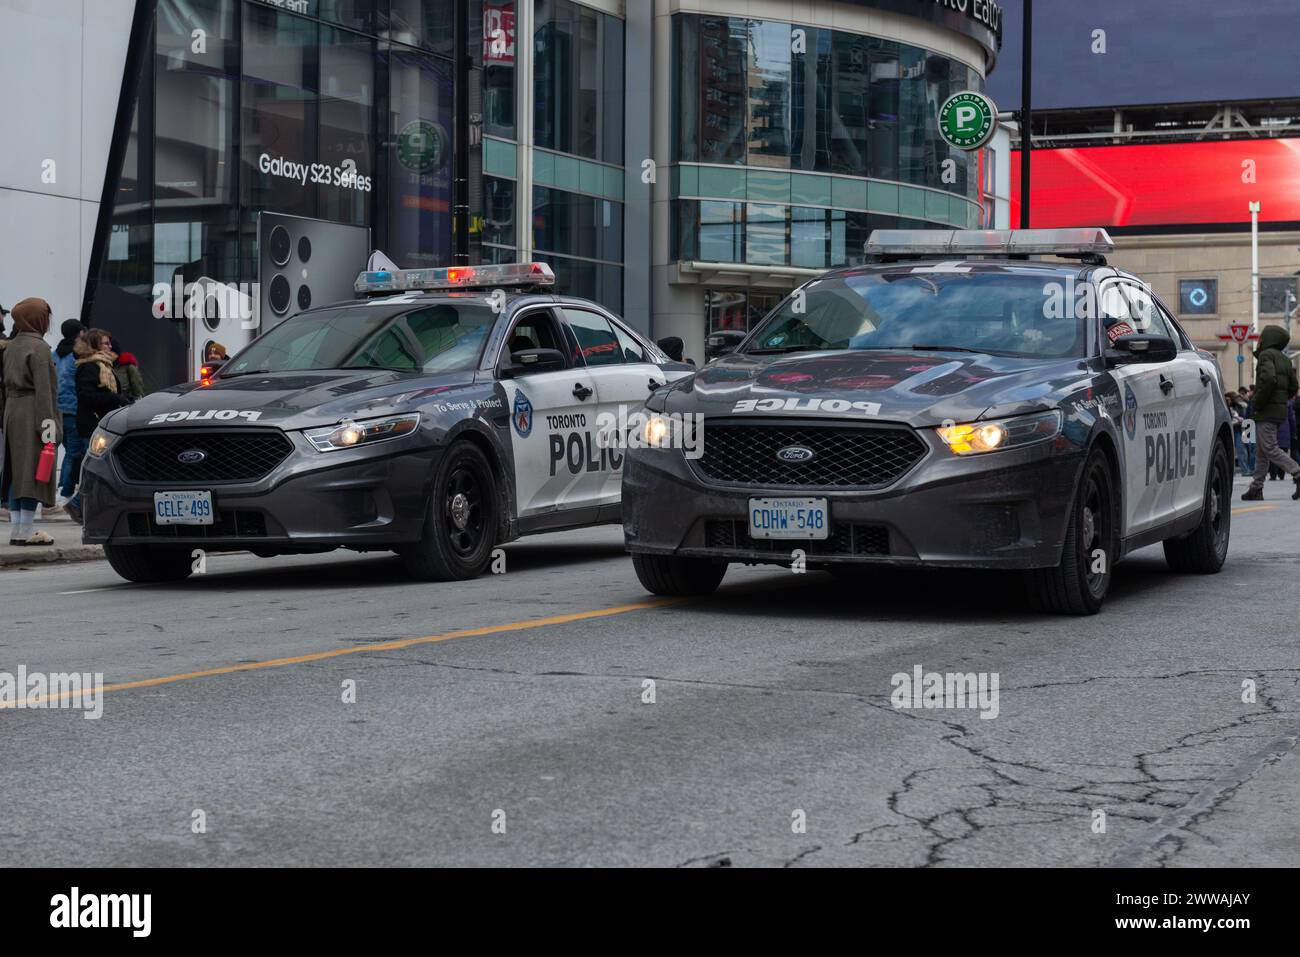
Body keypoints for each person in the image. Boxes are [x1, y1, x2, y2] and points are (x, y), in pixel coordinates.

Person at [1, 298, 61, 545]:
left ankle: (17, 531)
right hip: (33, 409)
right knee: (34, 470)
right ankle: (26, 530)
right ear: (37, 319)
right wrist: (49, 426)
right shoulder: (40, 348)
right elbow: (45, 391)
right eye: (46, 316)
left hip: (13, 410)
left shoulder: (11, 346)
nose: (48, 322)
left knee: (15, 470)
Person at [65, 329, 131, 524]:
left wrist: (122, 399)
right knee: (95, 467)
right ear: (95, 345)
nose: (110, 346)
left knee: (98, 466)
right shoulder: (90, 367)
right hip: (92, 424)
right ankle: (77, 503)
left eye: (109, 343)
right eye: (105, 343)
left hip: (102, 423)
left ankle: (82, 504)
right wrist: (114, 398)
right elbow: (86, 396)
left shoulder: (104, 365)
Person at [1242, 325, 1300, 501]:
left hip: (1266, 410)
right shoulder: (1285, 359)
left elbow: (1268, 379)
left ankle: (1297, 472)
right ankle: (1256, 487)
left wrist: (1257, 402)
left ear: (1268, 339)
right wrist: (1282, 400)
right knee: (1261, 451)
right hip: (1277, 411)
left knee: (1269, 448)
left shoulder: (1266, 355)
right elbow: (1293, 386)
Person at [53, 319, 87, 510]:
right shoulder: (76, 356)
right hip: (73, 410)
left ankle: (60, 490)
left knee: (64, 451)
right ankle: (63, 492)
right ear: (79, 334)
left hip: (56, 410)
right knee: (73, 453)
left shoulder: (54, 354)